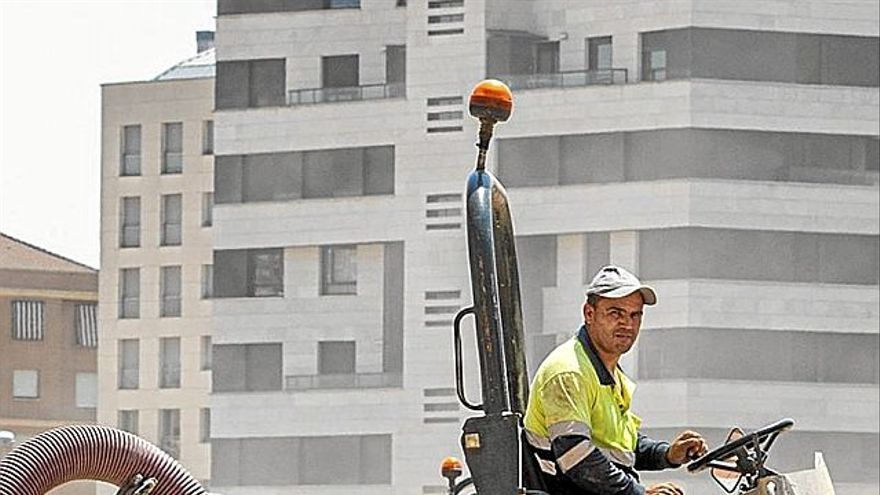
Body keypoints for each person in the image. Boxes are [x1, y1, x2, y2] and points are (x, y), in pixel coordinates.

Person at [523, 265, 708, 495]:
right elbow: (576, 457)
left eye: (635, 315)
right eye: (615, 313)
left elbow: (621, 446)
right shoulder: (569, 371)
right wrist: (639, 493)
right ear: (589, 314)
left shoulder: (607, 373)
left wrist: (667, 454)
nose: (627, 325)